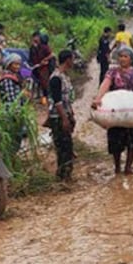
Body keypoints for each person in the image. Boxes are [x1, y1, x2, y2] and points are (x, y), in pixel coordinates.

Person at [92, 47, 133, 174]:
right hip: (117, 110)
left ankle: (128, 167)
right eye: (121, 56)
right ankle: (117, 167)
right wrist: (98, 98)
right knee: (116, 141)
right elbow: (105, 84)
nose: (122, 59)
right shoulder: (112, 71)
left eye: (125, 56)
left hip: (132, 111)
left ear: (131, 59)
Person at [49, 50, 76, 181]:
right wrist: (64, 119)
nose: (74, 62)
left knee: (68, 147)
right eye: (73, 59)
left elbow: (67, 100)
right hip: (58, 118)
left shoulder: (65, 76)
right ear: (68, 60)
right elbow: (57, 101)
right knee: (63, 148)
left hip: (65, 115)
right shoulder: (56, 78)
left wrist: (71, 115)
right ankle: (62, 177)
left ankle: (66, 175)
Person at [29, 31, 54, 105]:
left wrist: (44, 60)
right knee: (25, 73)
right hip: (35, 67)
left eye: (37, 38)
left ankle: (46, 95)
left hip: (43, 67)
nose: (35, 40)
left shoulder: (44, 47)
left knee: (44, 78)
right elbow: (31, 59)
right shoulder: (32, 48)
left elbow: (52, 55)